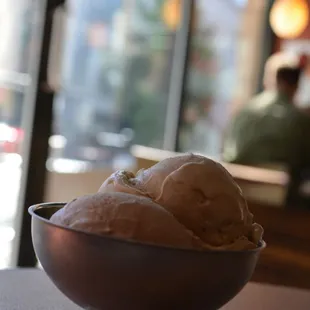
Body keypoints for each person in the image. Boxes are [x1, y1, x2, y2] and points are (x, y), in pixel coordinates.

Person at [223, 52, 310, 170]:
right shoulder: (301, 121)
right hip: (281, 186)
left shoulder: (245, 111)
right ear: (296, 86)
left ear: (269, 80)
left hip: (236, 183)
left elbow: (228, 154)